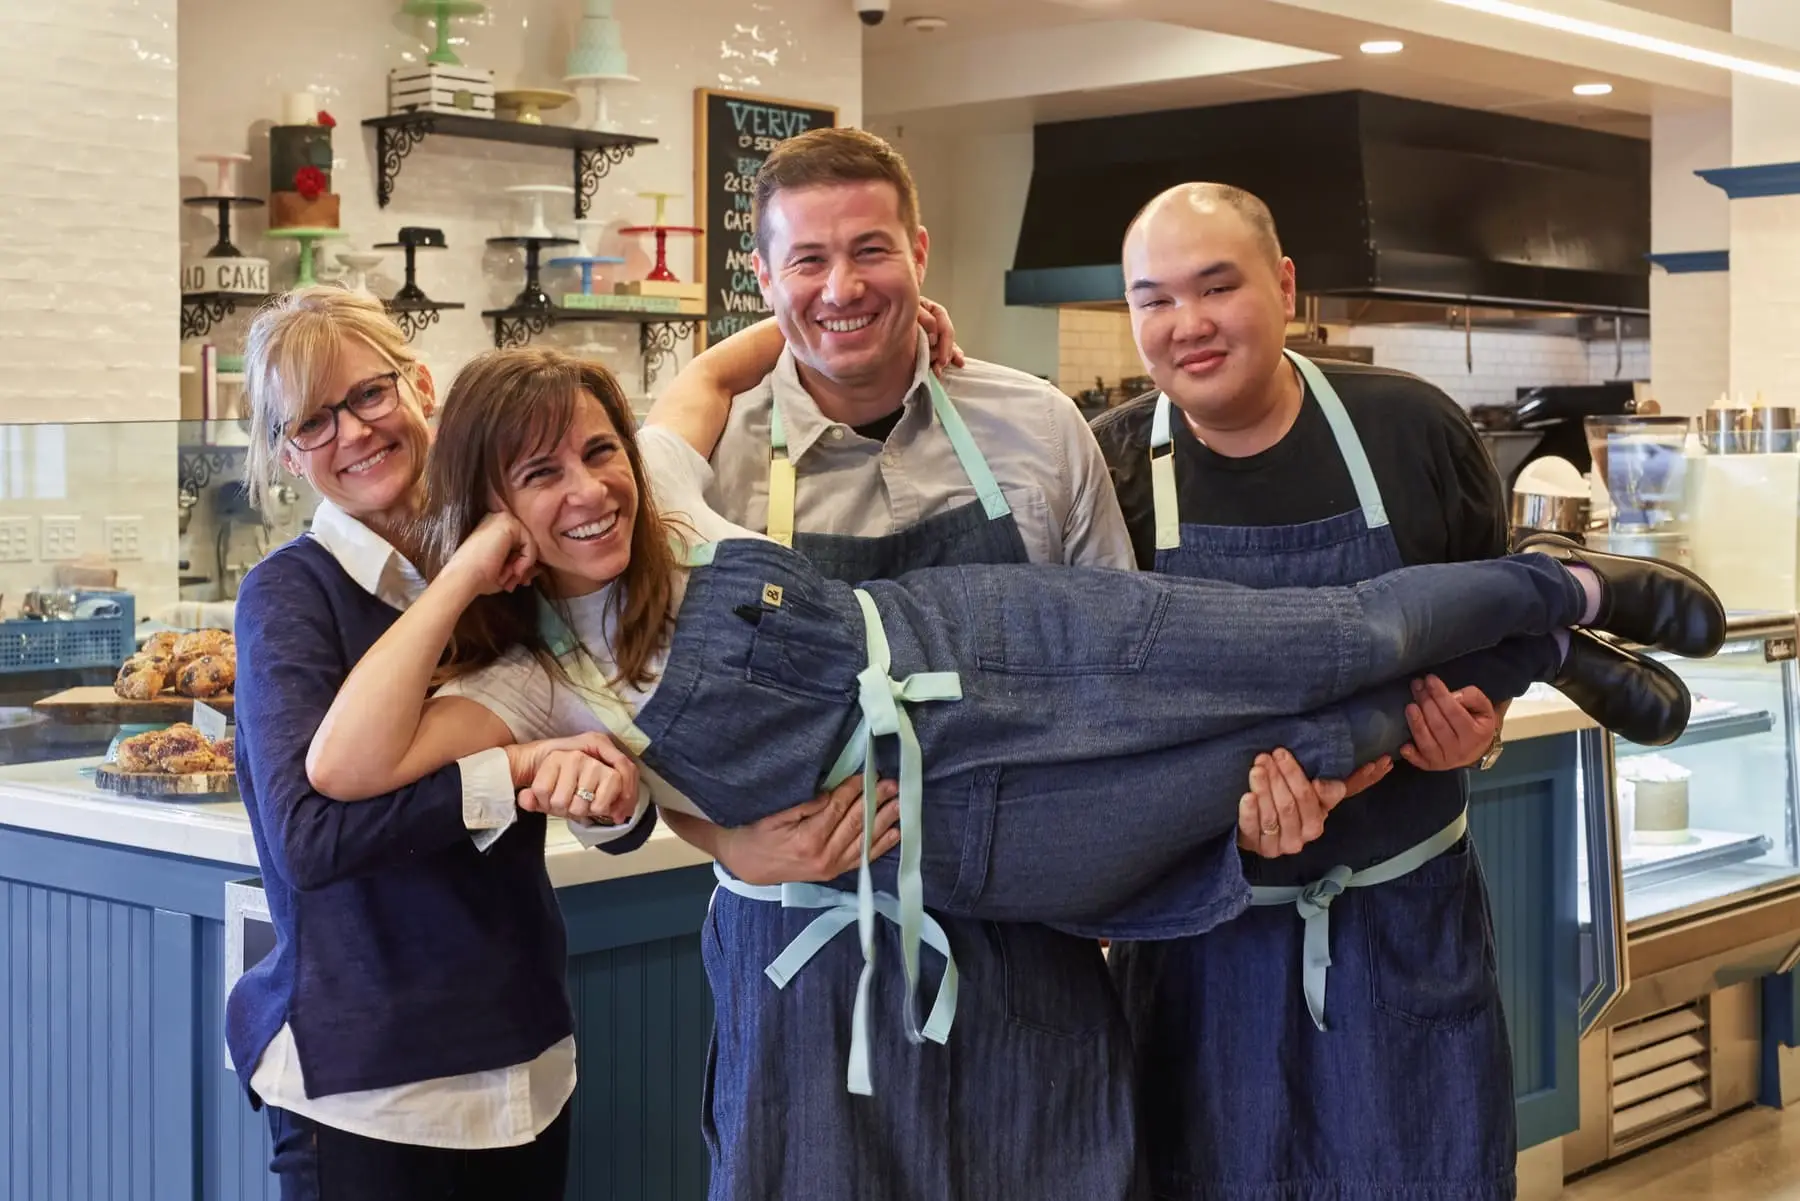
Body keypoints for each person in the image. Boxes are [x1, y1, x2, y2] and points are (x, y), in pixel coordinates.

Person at [301, 346, 1717, 1077]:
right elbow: (344, 761)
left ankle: (1569, 589)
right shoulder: (534, 679)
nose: (590, 491)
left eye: (594, 453)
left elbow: (728, 369)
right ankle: (1536, 653)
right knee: (1264, 763)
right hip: (961, 826)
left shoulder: (674, 495)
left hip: (997, 643)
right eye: (539, 479)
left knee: (1317, 639)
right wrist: (470, 570)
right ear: (494, 505)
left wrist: (899, 325)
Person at [1088, 182, 1684, 1201]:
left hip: (1403, 927)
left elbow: (1475, 635)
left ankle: (1566, 622)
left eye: (1215, 286)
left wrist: (1477, 732)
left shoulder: (1412, 430)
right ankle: (1578, 614)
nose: (1185, 325)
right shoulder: (1108, 472)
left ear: (1282, 287)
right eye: (1152, 300)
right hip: (1200, 950)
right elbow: (1102, 719)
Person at [225, 288, 885, 1201]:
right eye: (314, 420)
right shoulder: (291, 594)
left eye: (369, 395)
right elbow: (308, 834)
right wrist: (512, 766)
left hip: (524, 1052)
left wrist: (855, 316)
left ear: (420, 388)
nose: (354, 432)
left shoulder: (528, 565)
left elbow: (601, 764)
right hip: (370, 1077)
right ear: (288, 452)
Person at [650, 126, 1150, 1201]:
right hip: (804, 956)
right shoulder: (703, 464)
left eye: (871, 250)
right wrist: (725, 837)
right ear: (762, 277)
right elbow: (628, 719)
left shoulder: (1041, 428)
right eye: (808, 260)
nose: (842, 286)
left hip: (1030, 942)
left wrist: (1116, 870)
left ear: (920, 251)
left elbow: (1123, 670)